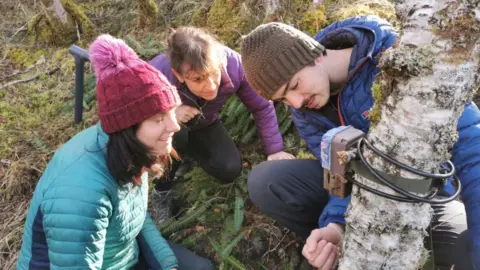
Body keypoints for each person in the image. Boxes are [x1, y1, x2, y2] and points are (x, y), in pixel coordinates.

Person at [240, 16, 480, 269]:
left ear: (314, 55)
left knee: (467, 251)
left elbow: (473, 148)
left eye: (295, 86)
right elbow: (338, 174)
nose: (296, 103)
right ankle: (347, 246)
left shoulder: (395, 59)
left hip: (428, 196)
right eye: (284, 99)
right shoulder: (305, 112)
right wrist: (335, 227)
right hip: (365, 197)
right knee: (267, 181)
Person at [16, 34, 213, 270]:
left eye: (172, 112)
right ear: (126, 128)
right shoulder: (82, 193)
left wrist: (167, 263)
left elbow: (133, 218)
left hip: (121, 256)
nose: (174, 126)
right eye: (159, 118)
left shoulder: (135, 149)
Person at [148, 26, 294, 223]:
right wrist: (170, 111)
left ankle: (184, 154)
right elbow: (136, 110)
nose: (210, 86)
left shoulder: (235, 66)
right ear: (179, 74)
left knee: (229, 169)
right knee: (176, 133)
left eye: (214, 73)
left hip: (205, 123)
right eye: (198, 79)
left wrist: (275, 149)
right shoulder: (157, 73)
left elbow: (261, 107)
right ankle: (162, 190)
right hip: (168, 128)